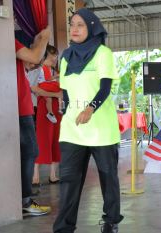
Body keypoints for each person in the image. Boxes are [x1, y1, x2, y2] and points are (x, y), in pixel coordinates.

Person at [53, 8, 123, 233]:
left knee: (107, 177)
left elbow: (105, 87)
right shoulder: (65, 57)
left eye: (80, 25)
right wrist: (67, 112)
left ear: (92, 27)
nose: (74, 29)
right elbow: (64, 90)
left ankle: (111, 221)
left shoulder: (103, 53)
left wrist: (90, 109)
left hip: (101, 128)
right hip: (73, 129)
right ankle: (64, 227)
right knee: (69, 180)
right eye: (72, 24)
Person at [15, 28, 53, 216]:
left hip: (22, 109)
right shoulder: (9, 40)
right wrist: (44, 37)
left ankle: (23, 198)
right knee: (30, 151)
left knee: (27, 153)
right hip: (19, 110)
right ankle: (24, 201)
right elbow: (36, 57)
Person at [32, 45, 61, 187]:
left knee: (55, 139)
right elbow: (37, 90)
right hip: (44, 107)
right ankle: (35, 175)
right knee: (43, 139)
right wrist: (56, 92)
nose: (55, 58)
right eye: (52, 55)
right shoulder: (39, 70)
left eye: (55, 55)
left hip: (55, 106)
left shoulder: (53, 71)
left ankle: (52, 174)